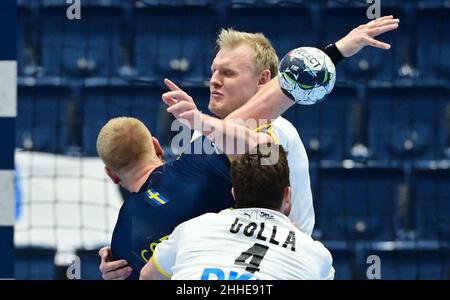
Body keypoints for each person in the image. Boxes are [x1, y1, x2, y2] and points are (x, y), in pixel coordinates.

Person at [99, 16, 400, 279]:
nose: (214, 81)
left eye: (227, 73)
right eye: (214, 71)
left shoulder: (277, 132)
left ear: (263, 80)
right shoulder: (205, 134)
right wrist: (129, 257)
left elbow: (270, 111)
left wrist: (337, 51)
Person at [140, 144, 335, 280]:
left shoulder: (192, 229)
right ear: (287, 195)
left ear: (234, 192)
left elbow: (147, 276)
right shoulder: (316, 256)